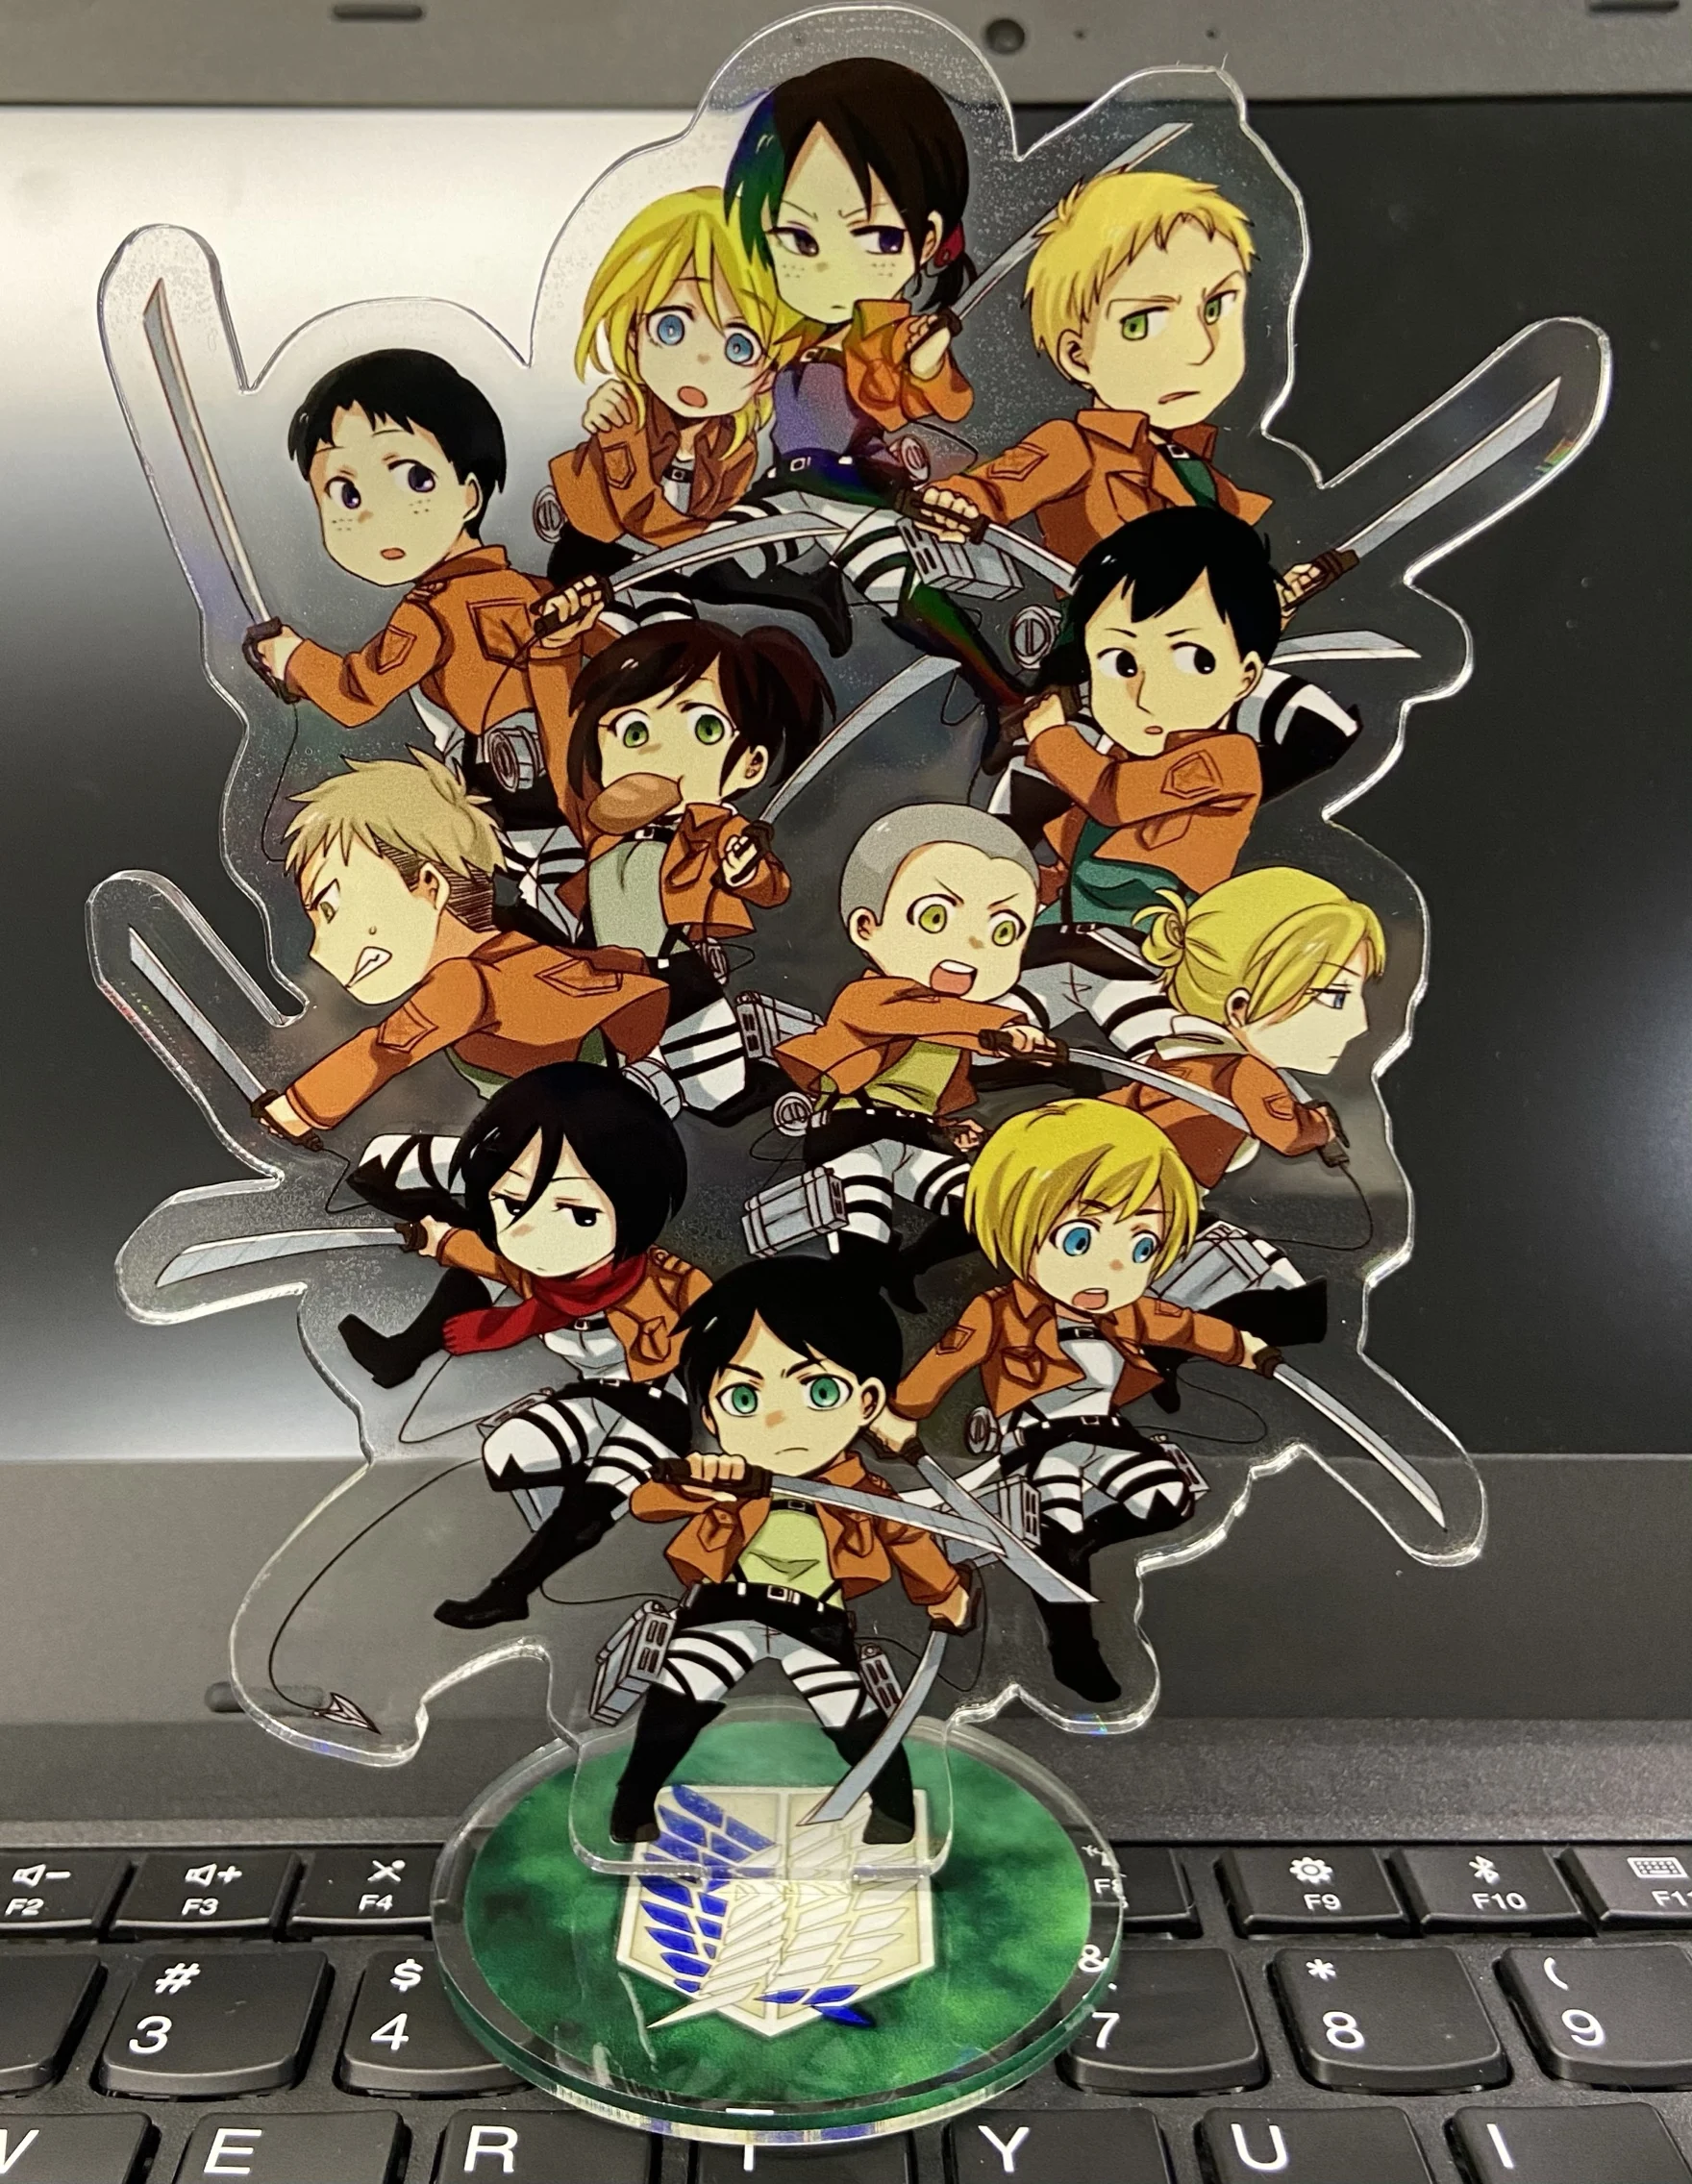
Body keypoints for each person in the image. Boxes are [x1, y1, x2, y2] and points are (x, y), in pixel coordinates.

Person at [882, 1101, 1277, 1706]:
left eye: (1141, 1247)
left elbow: (1184, 1325)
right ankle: (1073, 1646)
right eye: (1078, 1238)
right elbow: (946, 1360)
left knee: (1168, 1499)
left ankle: (1069, 1541)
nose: (1110, 1268)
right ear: (1015, 1227)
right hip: (1041, 1440)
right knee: (1059, 1523)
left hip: (1106, 1432)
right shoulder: (1000, 1310)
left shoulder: (1125, 1312)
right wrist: (901, 1413)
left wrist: (1244, 1348)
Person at [687, 58, 1027, 727]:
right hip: (796, 488)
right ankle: (815, 591)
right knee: (710, 561)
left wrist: (924, 358)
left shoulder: (885, 340)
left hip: (859, 487)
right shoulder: (797, 341)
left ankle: (1006, 695)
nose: (830, 267)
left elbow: (932, 395)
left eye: (872, 237)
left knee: (906, 595)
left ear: (927, 241)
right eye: (797, 238)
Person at [610, 1256, 974, 1846]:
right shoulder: (729, 1477)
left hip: (816, 1619)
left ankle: (895, 1815)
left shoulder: (864, 1492)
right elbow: (648, 1501)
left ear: (867, 1401)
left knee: (853, 1718)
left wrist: (945, 1592)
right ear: (711, 1413)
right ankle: (631, 1804)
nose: (779, 1420)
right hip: (729, 1605)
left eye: (819, 1390)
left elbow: (908, 1536)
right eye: (744, 1399)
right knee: (678, 1697)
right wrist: (700, 1483)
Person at [333, 1064, 703, 1627]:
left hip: (653, 1404)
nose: (531, 1233)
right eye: (511, 1203)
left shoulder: (670, 1286)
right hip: (594, 1391)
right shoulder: (540, 1269)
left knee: (598, 1493)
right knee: (507, 1455)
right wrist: (438, 1238)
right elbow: (495, 1260)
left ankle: (512, 1589)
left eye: (580, 1214)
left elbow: (730, 1340)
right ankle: (399, 1356)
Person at [244, 348, 611, 903]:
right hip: (569, 780)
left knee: (565, 892)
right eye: (347, 495)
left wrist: (292, 659)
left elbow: (356, 694)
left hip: (517, 789)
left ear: (469, 494)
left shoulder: (431, 611)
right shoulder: (526, 586)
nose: (377, 516)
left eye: (414, 478)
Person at [1001, 507, 1356, 1059]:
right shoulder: (1110, 754)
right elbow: (1084, 844)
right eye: (1120, 663)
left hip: (1137, 956)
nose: (1145, 695)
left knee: (1171, 1051)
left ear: (1246, 677)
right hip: (1057, 940)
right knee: (994, 1026)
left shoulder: (1227, 760)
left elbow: (1117, 799)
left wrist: (1050, 740)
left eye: (1194, 660)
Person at [912, 168, 1328, 612]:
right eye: (1141, 323)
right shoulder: (1076, 448)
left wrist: (1274, 604)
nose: (1200, 349)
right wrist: (957, 503)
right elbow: (992, 492)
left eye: (1215, 308)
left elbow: (1217, 602)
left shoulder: (1198, 471)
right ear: (1078, 356)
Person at [253, 754, 667, 1148]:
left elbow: (388, 1048)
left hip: (610, 1113)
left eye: (332, 908)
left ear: (430, 886)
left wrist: (296, 1111)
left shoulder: (465, 981)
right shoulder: (510, 956)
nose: (319, 950)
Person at [756, 804, 1062, 1303]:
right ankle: (845, 1306)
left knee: (986, 1209)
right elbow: (921, 1016)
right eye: (935, 917)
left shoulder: (953, 1026)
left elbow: (930, 1074)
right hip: (851, 1134)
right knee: (862, 1238)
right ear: (866, 927)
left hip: (914, 1137)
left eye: (1003, 932)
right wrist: (1002, 1028)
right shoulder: (869, 999)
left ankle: (908, 1268)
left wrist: (950, 1125)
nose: (971, 946)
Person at [1104, 867, 1387, 1357]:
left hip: (1134, 1198)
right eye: (1336, 996)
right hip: (1146, 1208)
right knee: (1269, 1287)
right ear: (1240, 1007)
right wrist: (1319, 1127)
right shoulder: (1242, 1072)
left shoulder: (1179, 1054)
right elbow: (1287, 1135)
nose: (1362, 1023)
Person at [558, 620, 831, 1119]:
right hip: (607, 975)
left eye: (705, 729)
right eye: (634, 732)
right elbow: (559, 734)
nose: (657, 752)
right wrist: (551, 654)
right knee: (621, 1074)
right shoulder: (604, 825)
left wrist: (745, 872)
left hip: (675, 972)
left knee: (717, 1090)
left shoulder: (712, 829)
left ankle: (773, 1087)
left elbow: (772, 886)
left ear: (750, 765)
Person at [546, 186, 811, 623]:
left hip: (666, 567)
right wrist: (712, 548)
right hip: (594, 560)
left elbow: (719, 512)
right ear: (635, 331)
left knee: (681, 632)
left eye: (739, 346)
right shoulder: (626, 413)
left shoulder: (734, 445)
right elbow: (637, 510)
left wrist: (716, 550)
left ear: (766, 375)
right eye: (672, 327)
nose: (700, 363)